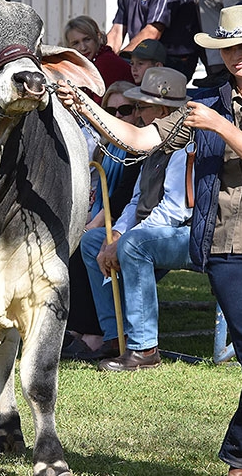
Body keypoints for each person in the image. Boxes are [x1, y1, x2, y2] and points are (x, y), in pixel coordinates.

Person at [57, 4, 242, 476]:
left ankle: (239, 455)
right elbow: (138, 138)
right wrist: (88, 108)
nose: (238, 56)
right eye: (230, 48)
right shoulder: (206, 104)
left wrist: (220, 128)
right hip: (223, 249)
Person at [80, 68, 193, 371]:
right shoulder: (152, 145)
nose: (139, 113)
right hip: (151, 233)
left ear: (164, 110)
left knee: (133, 246)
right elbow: (136, 201)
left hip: (189, 235)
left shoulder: (185, 145)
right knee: (93, 241)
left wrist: (126, 240)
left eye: (143, 107)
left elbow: (175, 210)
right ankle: (117, 336)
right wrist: (115, 234)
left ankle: (144, 349)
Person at [63, 81, 144, 359]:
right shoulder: (104, 147)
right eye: (111, 110)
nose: (119, 117)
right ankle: (75, 328)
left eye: (125, 109)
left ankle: (95, 334)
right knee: (74, 242)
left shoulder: (137, 148)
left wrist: (94, 224)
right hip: (104, 215)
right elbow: (95, 192)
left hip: (126, 221)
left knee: (87, 242)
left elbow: (123, 197)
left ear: (137, 111)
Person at [106, 0, 199, 80]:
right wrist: (103, 57)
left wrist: (118, 61)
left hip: (172, 62)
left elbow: (153, 32)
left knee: (118, 75)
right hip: (140, 59)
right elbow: (116, 32)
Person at [63, 15, 133, 99]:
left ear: (98, 37)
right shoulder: (82, 65)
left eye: (87, 39)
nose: (83, 48)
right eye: (76, 43)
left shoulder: (106, 62)